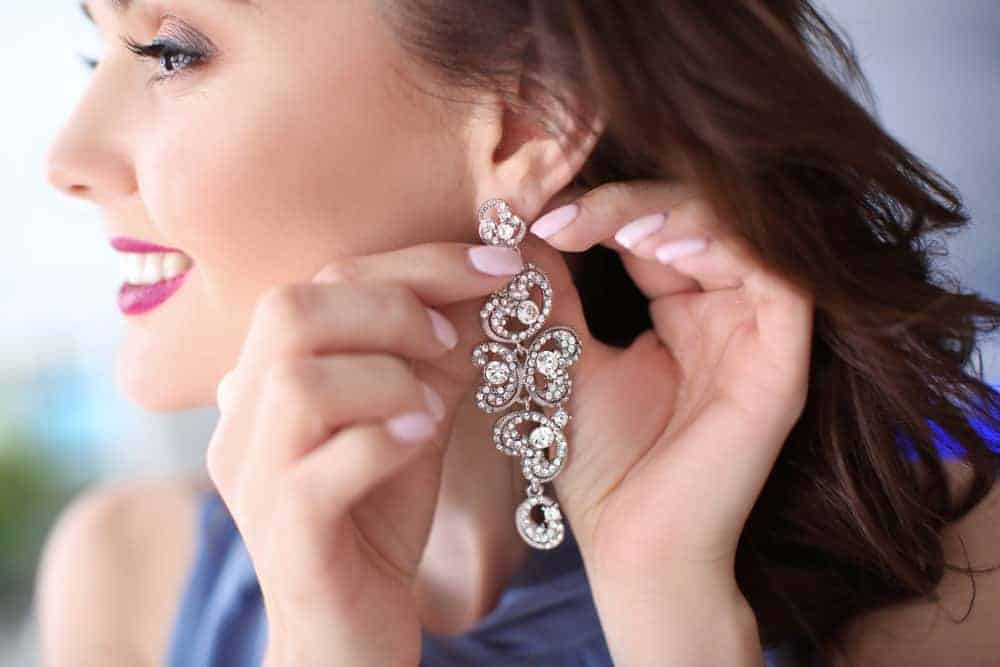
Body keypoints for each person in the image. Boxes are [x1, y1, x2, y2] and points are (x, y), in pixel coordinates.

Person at [37, 0, 1000, 665]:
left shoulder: (949, 570)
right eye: (95, 52)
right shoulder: (127, 576)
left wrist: (671, 605)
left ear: (526, 118)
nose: (66, 159)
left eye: (170, 49)